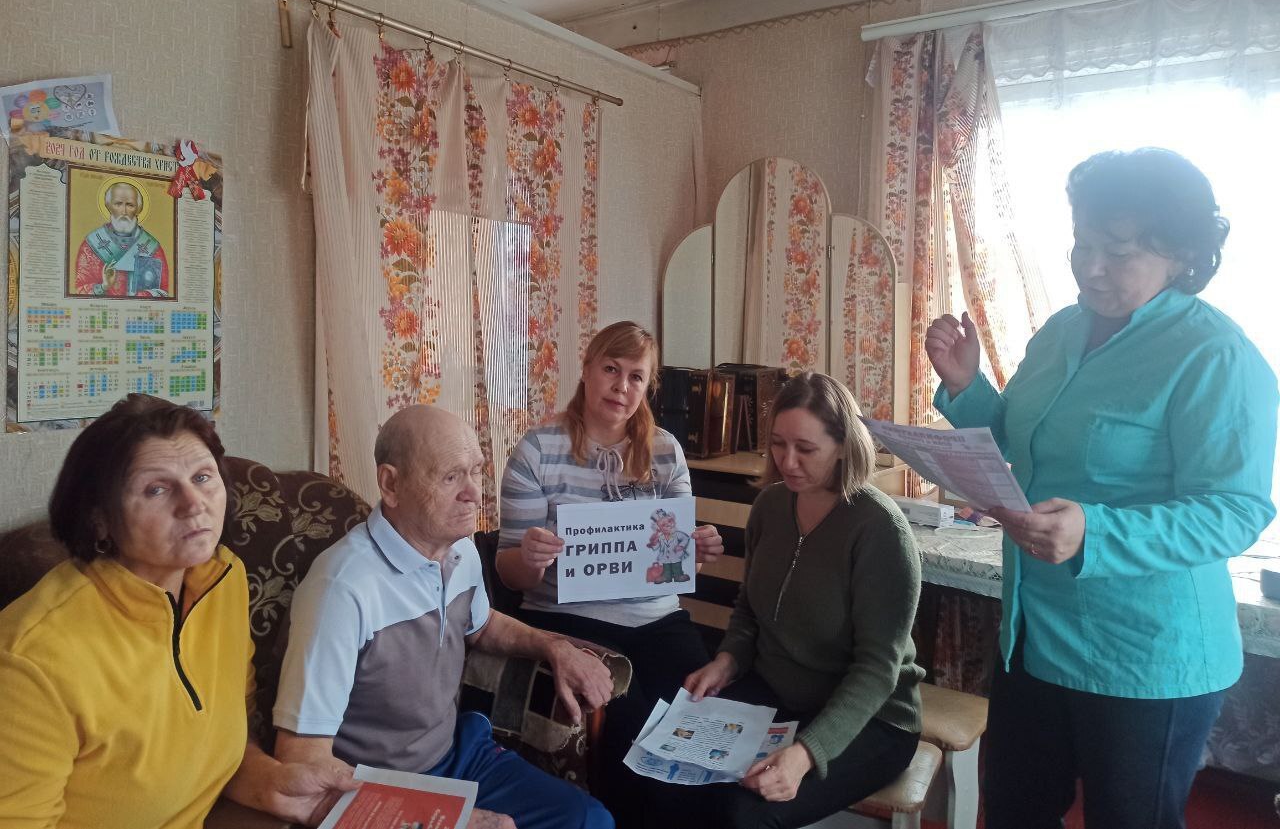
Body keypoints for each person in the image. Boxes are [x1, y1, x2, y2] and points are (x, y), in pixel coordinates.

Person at [926, 148, 1278, 829]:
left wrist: (1096, 530)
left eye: (1117, 252)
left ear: (1181, 255)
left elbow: (1236, 510)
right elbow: (1023, 446)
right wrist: (968, 387)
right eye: (1081, 244)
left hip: (1146, 654)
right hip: (1035, 632)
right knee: (1016, 813)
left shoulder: (1216, 355)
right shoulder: (1062, 330)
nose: (1090, 267)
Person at [0, 394, 357, 829]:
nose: (194, 503)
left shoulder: (222, 579)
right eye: (157, 489)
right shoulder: (31, 660)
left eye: (203, 477)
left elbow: (224, 738)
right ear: (99, 520)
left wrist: (271, 783)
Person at [273, 404, 616, 829]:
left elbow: (482, 626)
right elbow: (301, 760)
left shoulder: (459, 548)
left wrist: (554, 647)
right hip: (378, 784)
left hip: (459, 753)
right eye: (451, 477)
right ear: (391, 484)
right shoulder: (341, 589)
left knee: (588, 819)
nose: (474, 493)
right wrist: (446, 821)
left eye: (476, 471)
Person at [649, 372, 923, 829]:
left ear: (843, 446)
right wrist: (727, 661)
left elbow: (877, 671)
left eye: (806, 449)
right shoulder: (771, 506)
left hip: (872, 719)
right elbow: (749, 611)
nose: (788, 462)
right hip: (779, 692)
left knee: (746, 815)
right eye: (778, 444)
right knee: (668, 780)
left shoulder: (880, 530)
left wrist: (805, 755)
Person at [495, 320, 725, 827]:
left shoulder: (665, 450)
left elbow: (673, 564)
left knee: (704, 722)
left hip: (658, 620)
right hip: (570, 619)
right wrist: (528, 557)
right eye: (611, 369)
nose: (622, 386)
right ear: (587, 370)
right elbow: (511, 575)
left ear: (648, 386)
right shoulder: (537, 449)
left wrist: (695, 550)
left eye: (636, 376)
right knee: (634, 732)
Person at [74, 178, 170, 297]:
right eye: (118, 204)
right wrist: (104, 286)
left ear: (138, 208)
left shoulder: (152, 247)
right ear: (109, 206)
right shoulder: (91, 245)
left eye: (130, 205)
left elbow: (163, 290)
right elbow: (79, 287)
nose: (124, 211)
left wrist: (141, 296)